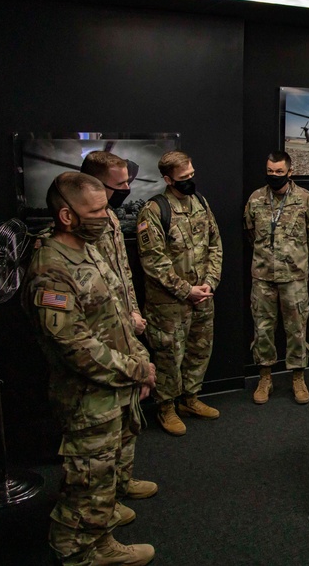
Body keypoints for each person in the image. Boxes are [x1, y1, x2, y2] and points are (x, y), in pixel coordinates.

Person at [24, 172, 156, 566]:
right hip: (86, 395)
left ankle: (100, 530)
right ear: (67, 215)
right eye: (95, 210)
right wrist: (135, 371)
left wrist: (140, 361)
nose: (105, 217)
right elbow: (76, 348)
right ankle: (80, 552)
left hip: (112, 387)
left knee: (103, 474)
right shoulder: (51, 269)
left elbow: (115, 312)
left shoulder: (87, 246)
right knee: (86, 480)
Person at [79, 150, 158, 502]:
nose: (128, 187)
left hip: (125, 326)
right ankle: (103, 499)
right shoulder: (78, 228)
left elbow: (123, 275)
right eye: (120, 183)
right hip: (100, 336)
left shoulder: (109, 217)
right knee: (103, 427)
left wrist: (134, 313)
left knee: (129, 417)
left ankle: (122, 480)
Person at [136, 150, 223, 436]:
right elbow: (154, 263)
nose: (190, 181)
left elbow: (215, 244)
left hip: (203, 297)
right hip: (169, 305)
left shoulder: (200, 202)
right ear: (167, 179)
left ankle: (190, 399)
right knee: (169, 357)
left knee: (199, 350)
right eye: (184, 178)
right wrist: (187, 291)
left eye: (192, 175)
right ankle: (166, 407)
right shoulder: (153, 210)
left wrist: (210, 281)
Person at [244, 151, 309, 405]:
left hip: (294, 278)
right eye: (270, 171)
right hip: (263, 277)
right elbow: (249, 232)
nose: (274, 175)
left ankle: (298, 377)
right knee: (263, 330)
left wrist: (295, 258)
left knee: (297, 329)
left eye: (279, 171)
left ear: (290, 172)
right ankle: (265, 377)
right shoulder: (255, 199)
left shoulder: (305, 199)